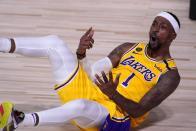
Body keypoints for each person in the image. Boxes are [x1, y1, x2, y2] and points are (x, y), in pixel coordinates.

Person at [0, 11, 181, 131]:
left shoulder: (170, 75)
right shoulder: (129, 48)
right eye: (154, 24)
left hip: (114, 117)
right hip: (93, 93)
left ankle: (18, 120)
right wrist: (81, 54)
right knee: (53, 43)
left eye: (163, 27)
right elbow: (93, 73)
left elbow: (138, 111)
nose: (155, 30)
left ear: (173, 36)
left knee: (80, 106)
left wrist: (113, 94)